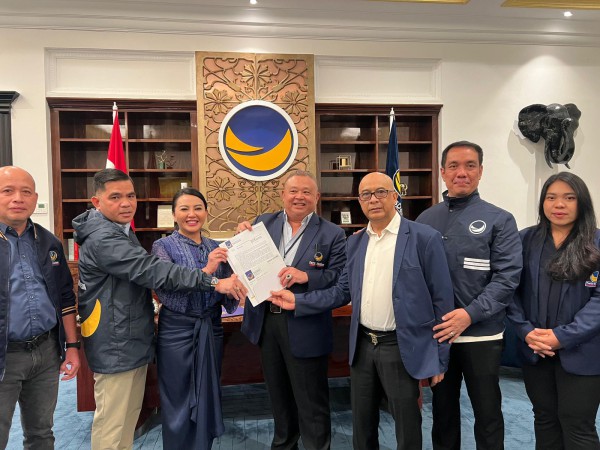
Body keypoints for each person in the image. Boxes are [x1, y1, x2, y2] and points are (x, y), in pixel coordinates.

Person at [270, 171, 454, 450]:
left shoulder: (424, 238)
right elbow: (341, 291)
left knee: (407, 426)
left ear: (394, 196)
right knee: (363, 426)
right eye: (366, 194)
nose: (374, 199)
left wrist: (440, 356)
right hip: (363, 346)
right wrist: (298, 302)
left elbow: (442, 300)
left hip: (401, 347)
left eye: (381, 192)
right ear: (359, 201)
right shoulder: (355, 243)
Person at [72, 169, 247, 450]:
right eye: (115, 197)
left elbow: (230, 286)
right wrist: (212, 279)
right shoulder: (111, 238)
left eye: (131, 196)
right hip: (124, 339)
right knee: (116, 422)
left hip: (135, 336)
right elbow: (155, 275)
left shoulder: (121, 231)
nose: (126, 203)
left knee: (127, 417)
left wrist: (243, 250)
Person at [416, 140, 522, 450]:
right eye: (454, 166)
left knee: (487, 414)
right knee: (443, 414)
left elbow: (507, 278)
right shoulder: (424, 220)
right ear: (442, 172)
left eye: (470, 165)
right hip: (439, 336)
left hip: (482, 336)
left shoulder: (500, 219)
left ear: (481, 171)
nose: (461, 172)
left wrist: (469, 314)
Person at [236, 170, 347, 450]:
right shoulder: (262, 224)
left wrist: (306, 276)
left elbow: (339, 278)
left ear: (317, 197)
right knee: (278, 396)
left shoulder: (332, 233)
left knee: (311, 400)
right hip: (267, 323)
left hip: (306, 322)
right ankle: (284, 444)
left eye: (307, 192)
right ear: (283, 195)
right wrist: (240, 241)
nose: (300, 197)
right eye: (294, 191)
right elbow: (244, 264)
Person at [507, 172, 600, 450]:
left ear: (581, 202)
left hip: (583, 352)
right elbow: (509, 290)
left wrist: (562, 337)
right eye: (551, 197)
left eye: (569, 198)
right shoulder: (525, 240)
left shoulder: (596, 242)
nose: (559, 204)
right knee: (544, 419)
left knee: (578, 425)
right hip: (536, 350)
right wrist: (526, 332)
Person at [151, 188, 239, 450]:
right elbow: (167, 293)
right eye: (184, 209)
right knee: (177, 395)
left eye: (198, 208)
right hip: (176, 330)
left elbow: (227, 299)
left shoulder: (216, 247)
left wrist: (236, 288)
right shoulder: (163, 246)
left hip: (211, 327)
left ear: (206, 212)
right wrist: (209, 270)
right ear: (174, 215)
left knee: (207, 394)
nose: (192, 214)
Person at [0, 166, 80, 449]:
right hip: (5, 356)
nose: (18, 198)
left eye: (26, 192)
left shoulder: (48, 242)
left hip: (45, 352)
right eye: (8, 191)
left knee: (41, 434)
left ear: (35, 198)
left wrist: (72, 346)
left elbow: (65, 298)